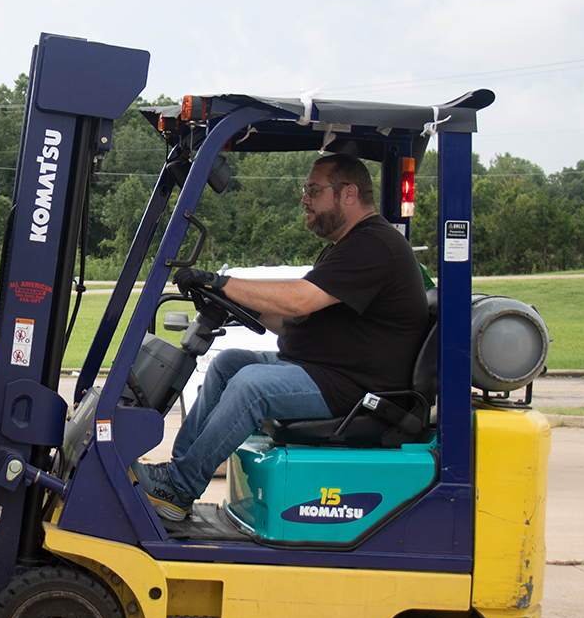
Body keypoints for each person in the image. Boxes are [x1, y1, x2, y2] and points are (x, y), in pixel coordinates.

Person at [132, 152, 429, 523]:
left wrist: (222, 281)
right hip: (328, 371)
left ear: (349, 194)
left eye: (313, 190)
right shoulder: (346, 246)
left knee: (252, 385)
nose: (305, 199)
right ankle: (175, 477)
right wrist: (230, 297)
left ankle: (179, 485)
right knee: (228, 364)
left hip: (358, 390)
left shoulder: (373, 245)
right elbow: (295, 320)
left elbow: (299, 297)